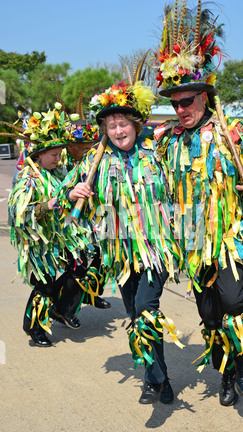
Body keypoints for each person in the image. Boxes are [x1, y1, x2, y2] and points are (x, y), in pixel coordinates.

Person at [153, 0, 243, 406]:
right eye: (174, 103)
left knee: (235, 300)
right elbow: (155, 186)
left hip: (228, 235)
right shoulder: (169, 141)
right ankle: (226, 372)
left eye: (187, 101)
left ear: (205, 98)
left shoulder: (234, 131)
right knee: (209, 315)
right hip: (192, 239)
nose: (180, 109)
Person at [56, 72, 184, 404]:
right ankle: (156, 377)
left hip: (155, 248)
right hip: (120, 254)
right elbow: (61, 196)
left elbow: (186, 182)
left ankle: (157, 380)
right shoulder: (93, 160)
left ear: (136, 123)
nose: (118, 131)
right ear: (105, 130)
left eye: (123, 123)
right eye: (111, 126)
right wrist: (73, 191)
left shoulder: (157, 151)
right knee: (136, 315)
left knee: (146, 307)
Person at [7, 104, 95, 346]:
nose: (59, 158)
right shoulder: (29, 177)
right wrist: (51, 203)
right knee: (44, 286)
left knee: (79, 266)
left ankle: (61, 308)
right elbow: (21, 215)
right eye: (54, 155)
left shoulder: (59, 172)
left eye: (60, 154)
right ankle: (33, 328)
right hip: (39, 244)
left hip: (62, 237)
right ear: (39, 155)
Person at [65, 115, 111, 310]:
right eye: (82, 147)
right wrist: (70, 193)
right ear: (70, 146)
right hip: (68, 224)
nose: (88, 150)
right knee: (77, 265)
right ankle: (64, 307)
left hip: (94, 219)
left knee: (105, 256)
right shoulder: (59, 164)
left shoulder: (95, 158)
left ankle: (91, 293)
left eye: (90, 145)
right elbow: (58, 193)